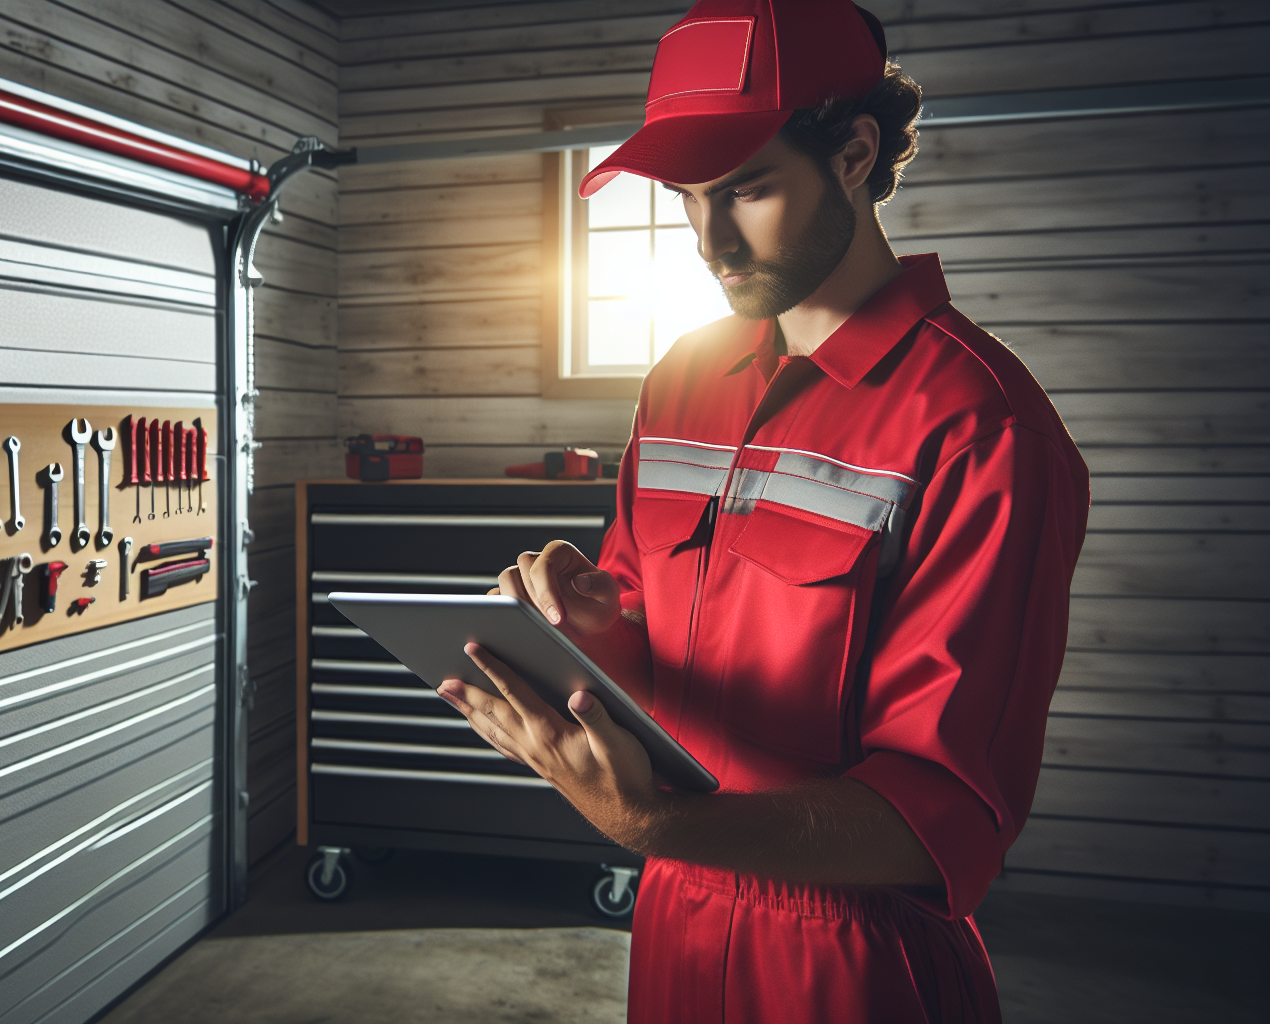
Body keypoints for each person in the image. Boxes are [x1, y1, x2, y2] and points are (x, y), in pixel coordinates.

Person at [432, 1, 1090, 1021]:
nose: (710, 240)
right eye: (687, 199)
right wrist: (588, 627)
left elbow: (944, 817)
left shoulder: (979, 424)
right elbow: (648, 656)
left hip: (855, 959)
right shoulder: (681, 380)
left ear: (855, 156)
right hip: (673, 926)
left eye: (746, 190)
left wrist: (655, 827)